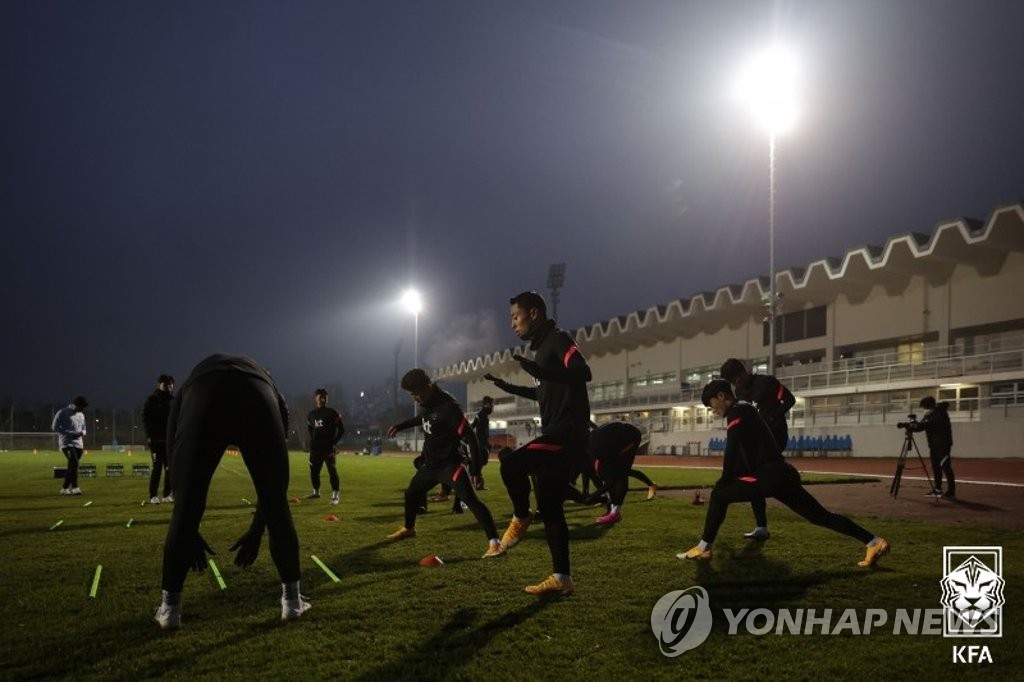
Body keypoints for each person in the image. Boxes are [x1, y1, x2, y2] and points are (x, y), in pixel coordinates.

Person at [153, 354, 309, 630]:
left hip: (204, 389)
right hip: (256, 392)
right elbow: (276, 485)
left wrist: (187, 524)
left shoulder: (193, 380)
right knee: (277, 506)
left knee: (187, 507)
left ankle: (170, 609)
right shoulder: (272, 388)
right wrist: (259, 526)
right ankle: (292, 602)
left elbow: (172, 447)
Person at [679, 380, 889, 568]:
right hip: (782, 474)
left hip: (770, 475)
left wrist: (725, 479)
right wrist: (732, 477)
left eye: (710, 404)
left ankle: (704, 547)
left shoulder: (736, 411)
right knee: (820, 516)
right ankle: (874, 542)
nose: (710, 409)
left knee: (719, 494)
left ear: (722, 396)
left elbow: (732, 448)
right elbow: (747, 454)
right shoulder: (746, 410)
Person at [484, 290, 593, 596]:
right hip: (558, 433)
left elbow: (583, 372)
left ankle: (520, 516)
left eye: (515, 317)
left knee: (511, 464)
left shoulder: (558, 339)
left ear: (534, 313)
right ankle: (562, 578)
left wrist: (540, 371)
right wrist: (507, 386)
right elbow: (544, 392)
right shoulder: (542, 348)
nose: (513, 324)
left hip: (568, 433)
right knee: (550, 506)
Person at [385, 368, 504, 558]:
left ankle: (495, 544)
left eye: (416, 393)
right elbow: (424, 418)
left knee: (470, 500)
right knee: (411, 494)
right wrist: (401, 426)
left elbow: (471, 437)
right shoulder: (429, 402)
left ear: (427, 386)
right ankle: (409, 529)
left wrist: (475, 470)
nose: (415, 398)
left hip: (450, 466)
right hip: (431, 466)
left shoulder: (449, 407)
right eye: (412, 394)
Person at [720, 358, 797, 541]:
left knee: (759, 473)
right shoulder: (739, 391)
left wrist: (773, 418)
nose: (736, 384)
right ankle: (761, 526)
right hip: (757, 440)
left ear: (742, 373)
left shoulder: (767, 382)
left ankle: (788, 489)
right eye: (733, 382)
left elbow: (790, 399)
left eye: (736, 379)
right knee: (750, 473)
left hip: (776, 435)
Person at [582, 421, 646, 526]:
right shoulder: (590, 449)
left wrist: (593, 496)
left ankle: (615, 513)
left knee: (621, 473)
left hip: (630, 437)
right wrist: (588, 494)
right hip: (618, 438)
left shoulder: (597, 453)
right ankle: (612, 509)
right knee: (614, 473)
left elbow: (610, 482)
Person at [306, 388, 345, 505]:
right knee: (314, 471)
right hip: (315, 449)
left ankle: (335, 495)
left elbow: (342, 430)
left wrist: (333, 443)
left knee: (332, 471)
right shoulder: (311, 414)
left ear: (327, 399)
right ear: (316, 398)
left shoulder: (332, 413)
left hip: (328, 449)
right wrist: (314, 441)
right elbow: (310, 429)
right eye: (320, 396)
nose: (323, 398)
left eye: (325, 396)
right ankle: (316, 492)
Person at [911, 395, 955, 499]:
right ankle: (938, 489)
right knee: (936, 467)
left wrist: (919, 424)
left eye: (924, 406)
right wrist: (913, 425)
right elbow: (921, 426)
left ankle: (951, 491)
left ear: (929, 405)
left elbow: (929, 424)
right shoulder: (930, 414)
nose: (924, 409)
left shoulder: (940, 413)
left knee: (945, 466)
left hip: (942, 444)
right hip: (934, 445)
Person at [143, 374, 175, 504]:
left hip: (170, 441)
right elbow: (145, 418)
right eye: (165, 384)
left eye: (171, 384)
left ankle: (167, 494)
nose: (168, 386)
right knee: (157, 468)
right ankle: (153, 495)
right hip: (156, 441)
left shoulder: (173, 400)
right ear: (159, 384)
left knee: (170, 468)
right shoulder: (152, 399)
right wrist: (149, 435)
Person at [52, 396, 88, 495]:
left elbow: (84, 428)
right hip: (67, 443)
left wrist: (82, 433)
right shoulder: (62, 412)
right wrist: (70, 433)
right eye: (82, 407)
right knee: (75, 463)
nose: (83, 409)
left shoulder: (81, 415)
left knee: (72, 466)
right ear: (76, 405)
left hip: (79, 444)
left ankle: (64, 488)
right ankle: (75, 487)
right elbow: (54, 427)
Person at [472, 396, 494, 490]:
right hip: (481, 443)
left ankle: (477, 482)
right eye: (492, 404)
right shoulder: (481, 415)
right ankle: (476, 482)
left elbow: (473, 426)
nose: (493, 407)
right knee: (480, 463)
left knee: (480, 463)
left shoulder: (483, 415)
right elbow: (473, 426)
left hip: (483, 443)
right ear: (487, 404)